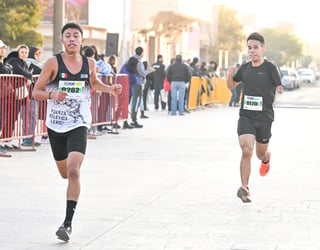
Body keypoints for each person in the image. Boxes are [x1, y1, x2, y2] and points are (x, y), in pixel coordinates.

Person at [32, 22, 122, 242]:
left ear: (81, 40)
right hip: (55, 126)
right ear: (62, 40)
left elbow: (94, 83)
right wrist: (53, 96)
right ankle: (69, 204)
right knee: (65, 174)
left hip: (79, 123)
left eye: (76, 36)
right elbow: (36, 91)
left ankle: (67, 224)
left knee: (74, 171)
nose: (72, 39)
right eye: (68, 36)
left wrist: (109, 89)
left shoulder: (89, 63)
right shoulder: (53, 63)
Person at [227, 32, 283, 203]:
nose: (252, 51)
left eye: (255, 48)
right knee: (246, 150)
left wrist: (277, 89)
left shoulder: (270, 68)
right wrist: (229, 76)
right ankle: (245, 188)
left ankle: (266, 158)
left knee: (260, 153)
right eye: (249, 48)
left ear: (262, 48)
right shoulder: (244, 68)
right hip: (246, 116)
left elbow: (278, 86)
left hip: (264, 117)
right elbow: (232, 85)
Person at [5, 44, 41, 147]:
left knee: (14, 118)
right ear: (18, 52)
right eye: (22, 52)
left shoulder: (23, 62)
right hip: (11, 94)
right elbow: (20, 71)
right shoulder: (14, 60)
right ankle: (6, 141)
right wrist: (29, 76)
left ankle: (8, 141)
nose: (24, 54)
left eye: (26, 52)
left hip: (19, 95)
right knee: (9, 118)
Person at [119, 56, 139, 129]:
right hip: (128, 91)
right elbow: (135, 81)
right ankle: (125, 122)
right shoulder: (131, 71)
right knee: (125, 107)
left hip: (121, 89)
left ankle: (117, 121)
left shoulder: (124, 67)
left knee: (120, 106)